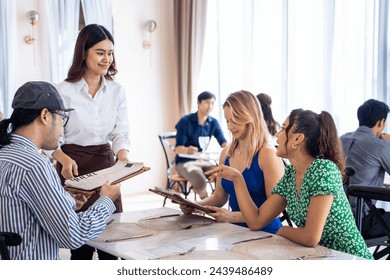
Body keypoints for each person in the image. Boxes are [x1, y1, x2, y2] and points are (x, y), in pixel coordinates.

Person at [206, 109, 373, 259]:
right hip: (318, 256)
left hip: (349, 259)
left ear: (297, 138)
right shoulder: (291, 174)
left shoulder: (324, 169)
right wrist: (237, 179)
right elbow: (256, 221)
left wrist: (281, 230)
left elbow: (310, 237)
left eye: (283, 128)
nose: (277, 134)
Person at [0, 81, 120, 260]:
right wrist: (106, 200)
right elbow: (73, 235)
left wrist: (65, 201)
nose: (62, 126)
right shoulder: (35, 165)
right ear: (45, 116)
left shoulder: (5, 154)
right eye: (62, 117)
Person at [49, 24, 130, 260]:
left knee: (112, 243)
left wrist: (122, 158)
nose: (107, 59)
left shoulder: (117, 91)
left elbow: (120, 132)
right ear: (83, 53)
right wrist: (62, 159)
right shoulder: (62, 91)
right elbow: (52, 140)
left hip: (107, 168)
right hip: (72, 167)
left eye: (110, 52)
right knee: (80, 246)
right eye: (100, 52)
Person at [181, 90, 285, 233]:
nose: (229, 127)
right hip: (234, 230)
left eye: (234, 120)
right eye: (227, 120)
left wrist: (232, 216)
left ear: (250, 117)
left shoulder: (268, 154)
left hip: (266, 232)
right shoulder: (227, 153)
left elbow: (276, 211)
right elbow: (219, 196)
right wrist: (196, 205)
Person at [340, 99, 390, 238]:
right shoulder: (380, 146)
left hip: (335, 218)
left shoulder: (340, 139)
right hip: (361, 222)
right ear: (381, 122)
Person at [175, 91, 228, 199]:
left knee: (220, 175)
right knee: (200, 180)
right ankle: (206, 204)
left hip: (203, 161)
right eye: (207, 103)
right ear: (199, 103)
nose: (210, 106)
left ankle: (216, 200)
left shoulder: (213, 122)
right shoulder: (186, 121)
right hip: (185, 163)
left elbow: (223, 142)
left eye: (212, 103)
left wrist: (231, 147)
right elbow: (178, 149)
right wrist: (187, 150)